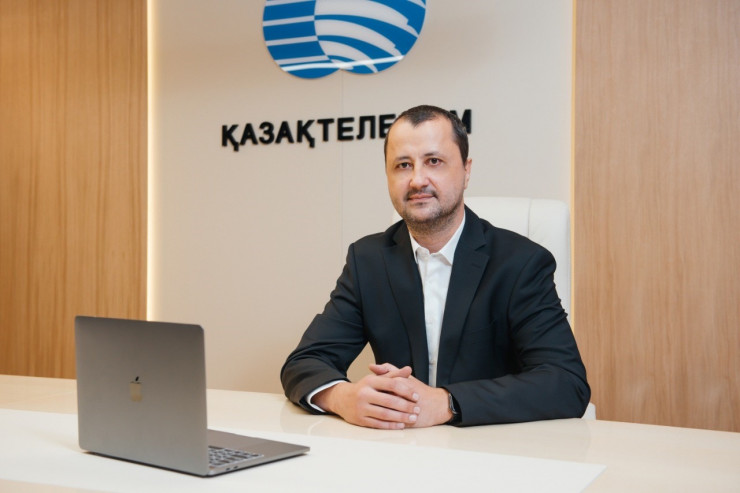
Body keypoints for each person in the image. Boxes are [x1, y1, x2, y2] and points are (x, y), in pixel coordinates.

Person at [281, 104, 590, 428]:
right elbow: (304, 362)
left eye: (434, 161)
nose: (417, 180)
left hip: (492, 446)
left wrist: (446, 403)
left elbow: (566, 382)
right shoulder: (368, 260)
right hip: (401, 446)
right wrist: (342, 397)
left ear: (466, 170)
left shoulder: (520, 263)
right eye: (403, 165)